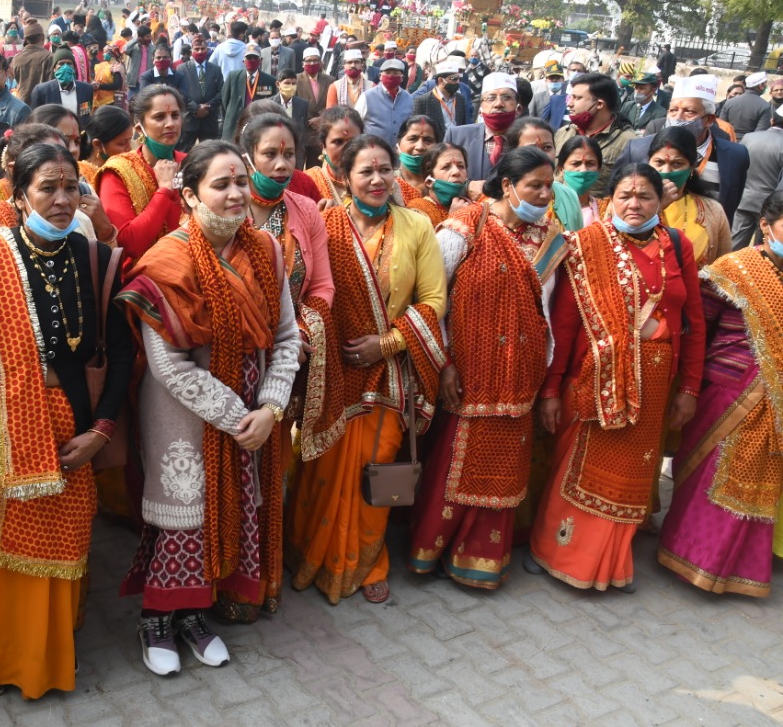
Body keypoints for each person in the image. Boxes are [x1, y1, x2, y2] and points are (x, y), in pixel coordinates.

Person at [0, 142, 133, 698]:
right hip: (2, 435)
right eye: (46, 188)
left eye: (71, 188)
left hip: (76, 433)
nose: (61, 200)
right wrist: (2, 441)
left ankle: (48, 657)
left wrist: (99, 430)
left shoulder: (98, 260)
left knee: (65, 547)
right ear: (18, 192)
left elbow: (120, 355)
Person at [119, 140, 300, 675]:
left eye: (240, 182)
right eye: (220, 184)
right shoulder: (167, 259)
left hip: (252, 417)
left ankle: (195, 614)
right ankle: (156, 616)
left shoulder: (265, 250)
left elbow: (287, 336)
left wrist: (270, 406)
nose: (236, 193)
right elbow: (167, 363)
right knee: (183, 515)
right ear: (190, 195)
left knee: (233, 508)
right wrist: (237, 414)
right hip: (183, 411)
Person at [528, 162, 705, 591]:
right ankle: (554, 549)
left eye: (644, 195)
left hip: (657, 382)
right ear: (610, 199)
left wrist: (689, 387)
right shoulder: (587, 245)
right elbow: (565, 324)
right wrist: (551, 388)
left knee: (631, 478)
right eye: (625, 194)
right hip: (593, 379)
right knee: (578, 465)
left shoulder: (675, 245)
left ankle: (612, 560)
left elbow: (694, 323)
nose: (634, 203)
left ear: (660, 200)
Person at [286, 134, 447, 605]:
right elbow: (306, 292)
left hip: (388, 374)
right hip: (333, 372)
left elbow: (434, 302)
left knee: (375, 471)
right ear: (345, 175)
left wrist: (388, 343)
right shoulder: (323, 223)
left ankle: (369, 561)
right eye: (365, 171)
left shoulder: (416, 225)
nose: (377, 179)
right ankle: (309, 554)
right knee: (321, 469)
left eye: (385, 169)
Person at [409, 147, 564, 589]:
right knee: (456, 461)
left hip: (521, 374)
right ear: (509, 186)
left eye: (548, 185)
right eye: (534, 185)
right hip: (469, 372)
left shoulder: (549, 236)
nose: (543, 193)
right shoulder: (465, 227)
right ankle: (431, 550)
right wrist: (444, 364)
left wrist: (545, 371)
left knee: (506, 467)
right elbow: (431, 300)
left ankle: (479, 557)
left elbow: (548, 312)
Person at [658, 189, 783, 596]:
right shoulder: (733, 269)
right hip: (728, 392)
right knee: (708, 481)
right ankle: (689, 557)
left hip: (774, 403)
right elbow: (699, 328)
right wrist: (690, 386)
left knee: (756, 486)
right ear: (765, 225)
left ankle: (737, 569)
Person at [240, 113, 343, 543]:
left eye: (289, 155)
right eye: (270, 155)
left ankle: (262, 571)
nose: (282, 165)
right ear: (247, 158)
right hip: (227, 361)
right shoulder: (224, 205)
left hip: (285, 362)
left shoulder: (304, 211)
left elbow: (321, 286)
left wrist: (299, 335)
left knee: (272, 463)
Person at [619, 74, 750, 235]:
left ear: (709, 119)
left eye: (688, 111)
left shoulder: (735, 156)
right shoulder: (638, 149)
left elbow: (731, 204)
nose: (678, 118)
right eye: (673, 111)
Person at [96, 84, 185, 269]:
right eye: (159, 117)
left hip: (191, 270)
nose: (170, 123)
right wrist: (164, 190)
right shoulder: (118, 171)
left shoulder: (191, 163)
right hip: (144, 281)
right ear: (139, 128)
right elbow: (128, 244)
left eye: (175, 115)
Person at [645, 126, 731, 266]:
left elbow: (723, 267)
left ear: (691, 168)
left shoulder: (713, 211)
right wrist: (656, 208)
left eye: (677, 164)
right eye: (659, 162)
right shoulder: (627, 204)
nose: (666, 171)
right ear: (648, 163)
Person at [554, 72, 637, 197]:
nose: (569, 103)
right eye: (570, 97)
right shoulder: (564, 133)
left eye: (577, 98)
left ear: (599, 104)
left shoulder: (628, 142)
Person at [733, 105, 783, 248]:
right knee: (763, 249)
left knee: (735, 244)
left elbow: (737, 165)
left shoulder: (749, 137)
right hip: (770, 206)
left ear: (772, 121)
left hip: (743, 199)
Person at [305, 106, 363, 207]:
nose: (347, 149)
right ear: (323, 146)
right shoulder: (308, 182)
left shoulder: (379, 180)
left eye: (353, 141)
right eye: (338, 142)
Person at [405, 142, 471, 227]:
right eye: (446, 167)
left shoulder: (473, 204)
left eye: (461, 166)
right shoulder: (417, 210)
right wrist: (453, 218)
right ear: (429, 182)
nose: (456, 172)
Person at [176, 33, 223, 151]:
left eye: (203, 49)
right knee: (183, 153)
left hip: (209, 119)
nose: (200, 51)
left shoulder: (216, 69)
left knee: (209, 154)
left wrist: (208, 107)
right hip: (189, 119)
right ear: (192, 50)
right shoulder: (182, 69)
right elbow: (180, 93)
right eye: (197, 49)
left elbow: (221, 91)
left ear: (207, 50)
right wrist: (196, 108)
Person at [220, 44, 275, 141]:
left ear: (261, 60)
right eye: (249, 57)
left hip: (258, 126)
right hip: (234, 126)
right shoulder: (233, 77)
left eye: (255, 57)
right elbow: (224, 101)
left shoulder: (269, 80)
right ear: (243, 61)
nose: (252, 60)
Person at [353, 58, 411, 144]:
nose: (391, 76)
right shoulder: (367, 96)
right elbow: (356, 123)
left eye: (395, 73)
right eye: (387, 73)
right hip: (372, 150)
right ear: (380, 76)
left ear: (402, 78)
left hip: (399, 152)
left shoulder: (408, 98)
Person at [31, 47, 95, 124]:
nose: (65, 67)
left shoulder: (86, 89)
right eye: (61, 64)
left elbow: (85, 115)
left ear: (74, 68)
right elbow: (36, 121)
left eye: (69, 63)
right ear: (54, 68)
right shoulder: (41, 91)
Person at [555, 135, 606, 226]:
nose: (583, 170)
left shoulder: (605, 212)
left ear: (599, 170)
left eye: (590, 163)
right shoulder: (546, 205)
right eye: (576, 163)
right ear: (561, 169)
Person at [393, 114, 442, 204]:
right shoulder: (388, 183)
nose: (420, 147)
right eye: (413, 139)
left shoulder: (445, 184)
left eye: (428, 140)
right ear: (397, 147)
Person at [412, 57, 467, 135]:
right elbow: (416, 130)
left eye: (459, 79)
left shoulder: (460, 99)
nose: (458, 82)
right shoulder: (423, 101)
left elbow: (463, 125)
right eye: (454, 79)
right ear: (441, 80)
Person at [11, 22, 54, 105]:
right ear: (42, 37)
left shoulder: (17, 58)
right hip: (42, 105)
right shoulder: (49, 57)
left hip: (22, 104)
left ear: (26, 39)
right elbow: (51, 84)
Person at [720, 72, 773, 139]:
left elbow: (721, 125)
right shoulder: (765, 106)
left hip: (727, 141)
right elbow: (760, 133)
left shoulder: (730, 102)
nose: (766, 86)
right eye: (765, 84)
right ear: (760, 85)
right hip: (749, 145)